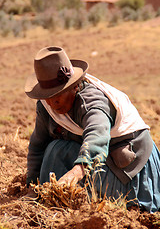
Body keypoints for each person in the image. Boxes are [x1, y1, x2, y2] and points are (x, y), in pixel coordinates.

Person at [25, 46, 160, 213]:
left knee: (70, 157)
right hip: (99, 162)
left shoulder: (93, 103)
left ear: (74, 86)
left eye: (58, 95)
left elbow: (97, 136)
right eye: (48, 97)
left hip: (129, 169)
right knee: (55, 149)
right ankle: (55, 203)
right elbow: (37, 145)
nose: (53, 103)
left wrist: (77, 171)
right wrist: (32, 186)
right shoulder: (46, 106)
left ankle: (118, 207)